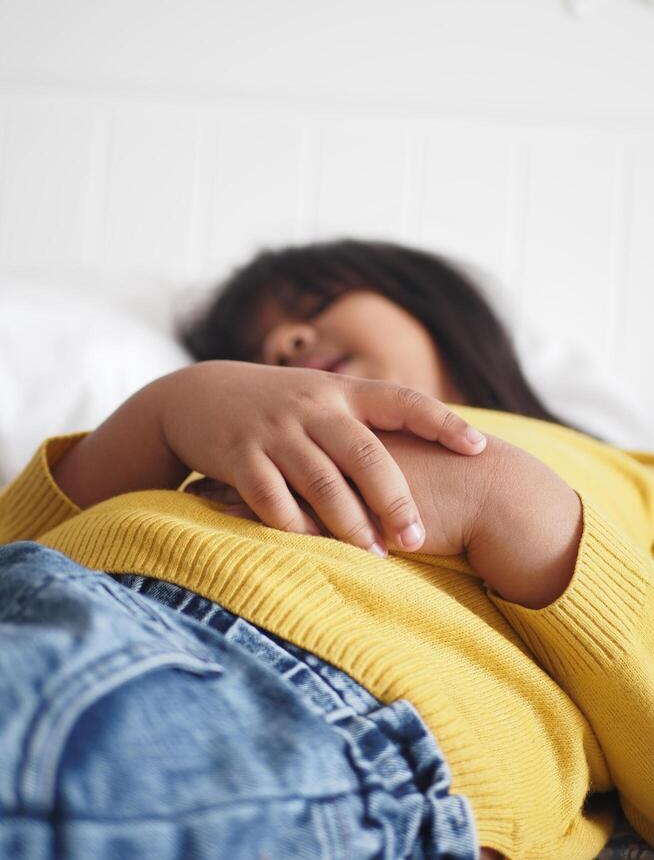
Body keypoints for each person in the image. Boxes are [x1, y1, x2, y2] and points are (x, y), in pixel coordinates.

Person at [1, 238, 653, 860]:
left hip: (303, 700)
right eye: (257, 353)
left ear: (424, 296)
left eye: (312, 305)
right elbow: (16, 546)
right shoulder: (223, 422)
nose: (285, 341)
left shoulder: (629, 474)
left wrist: (512, 504)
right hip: (48, 589)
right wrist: (169, 411)